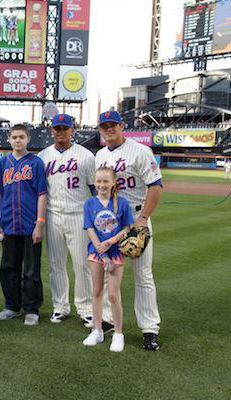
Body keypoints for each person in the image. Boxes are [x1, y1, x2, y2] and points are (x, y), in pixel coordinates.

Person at [95, 110, 163, 351]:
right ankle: (108, 319)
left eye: (113, 124)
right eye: (104, 126)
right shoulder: (100, 154)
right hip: (110, 221)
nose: (109, 129)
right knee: (109, 271)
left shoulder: (141, 151)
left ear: (122, 126)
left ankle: (149, 329)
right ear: (100, 129)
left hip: (135, 219)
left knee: (143, 276)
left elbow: (155, 186)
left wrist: (144, 218)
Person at [36, 114, 95, 328]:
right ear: (52, 131)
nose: (61, 132)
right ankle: (60, 307)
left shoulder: (86, 156)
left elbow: (94, 188)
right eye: (57, 128)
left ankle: (86, 309)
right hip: (52, 215)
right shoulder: (43, 156)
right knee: (55, 265)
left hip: (78, 215)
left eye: (65, 128)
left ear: (73, 130)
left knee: (82, 264)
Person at [0, 124, 47, 326]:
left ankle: (31, 309)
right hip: (8, 223)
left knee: (31, 269)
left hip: (29, 223)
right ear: (8, 139)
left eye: (21, 137)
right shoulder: (2, 163)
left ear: (28, 139)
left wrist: (40, 223)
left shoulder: (36, 163)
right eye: (14, 137)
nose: (17, 140)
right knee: (8, 267)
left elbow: (42, 194)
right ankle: (12, 306)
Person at [82, 167, 134, 352]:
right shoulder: (89, 203)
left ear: (113, 183)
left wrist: (112, 241)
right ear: (94, 182)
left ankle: (118, 333)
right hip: (97, 252)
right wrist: (102, 253)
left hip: (116, 252)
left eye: (105, 181)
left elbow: (127, 227)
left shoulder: (122, 203)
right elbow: (89, 229)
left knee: (113, 295)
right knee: (96, 291)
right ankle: (97, 330)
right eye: (99, 181)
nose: (102, 185)